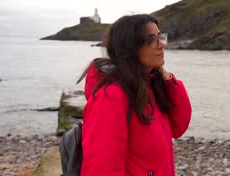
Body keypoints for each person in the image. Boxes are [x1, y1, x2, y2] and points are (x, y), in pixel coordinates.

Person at [77, 14, 192, 175]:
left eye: (160, 37)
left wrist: (169, 81)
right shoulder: (111, 97)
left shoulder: (149, 86)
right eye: (151, 39)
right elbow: (102, 169)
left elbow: (178, 127)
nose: (161, 45)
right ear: (130, 47)